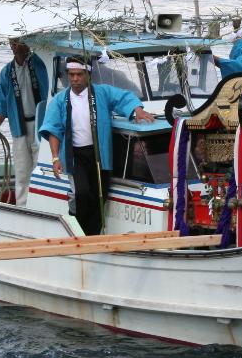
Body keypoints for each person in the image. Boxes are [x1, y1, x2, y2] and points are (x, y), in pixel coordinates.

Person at [39, 56, 156, 235]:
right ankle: (77, 228)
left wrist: (137, 110)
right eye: (72, 75)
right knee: (82, 192)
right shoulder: (60, 100)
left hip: (98, 154)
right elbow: (53, 130)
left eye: (79, 74)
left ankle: (92, 234)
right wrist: (55, 157)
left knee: (99, 195)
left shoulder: (101, 93)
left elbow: (124, 97)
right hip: (74, 155)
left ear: (87, 75)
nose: (75, 79)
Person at [0, 38, 49, 206]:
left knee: (41, 168)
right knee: (22, 171)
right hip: (19, 125)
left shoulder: (39, 63)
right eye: (12, 44)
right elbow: (2, 100)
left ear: (27, 43)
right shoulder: (7, 71)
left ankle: (42, 205)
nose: (15, 47)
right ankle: (23, 206)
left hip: (41, 124)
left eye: (18, 43)